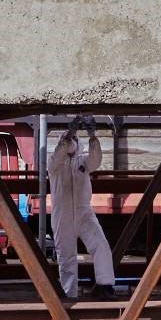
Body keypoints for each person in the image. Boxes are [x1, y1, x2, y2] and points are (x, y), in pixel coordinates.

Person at [47, 117, 116, 300]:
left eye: (74, 139)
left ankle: (105, 285)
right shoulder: (55, 165)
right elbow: (59, 154)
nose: (72, 142)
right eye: (70, 139)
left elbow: (96, 160)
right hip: (63, 214)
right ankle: (69, 294)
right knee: (66, 255)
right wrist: (69, 135)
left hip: (84, 211)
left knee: (100, 245)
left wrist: (93, 135)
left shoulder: (83, 162)